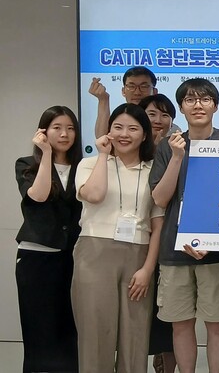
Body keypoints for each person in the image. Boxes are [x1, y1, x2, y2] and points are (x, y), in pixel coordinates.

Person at [150, 78, 219, 373]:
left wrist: (212, 241)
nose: (198, 105)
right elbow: (160, 198)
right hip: (174, 250)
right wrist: (177, 157)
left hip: (218, 252)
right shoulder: (168, 146)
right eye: (190, 100)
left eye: (205, 99)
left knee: (217, 323)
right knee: (181, 323)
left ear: (215, 106)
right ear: (181, 108)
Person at [72, 103, 165, 372]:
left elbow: (157, 224)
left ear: (145, 135)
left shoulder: (153, 170)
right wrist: (103, 155)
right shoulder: (90, 164)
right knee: (95, 333)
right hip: (94, 252)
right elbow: (94, 195)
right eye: (118, 127)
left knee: (135, 336)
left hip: (139, 255)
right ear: (109, 131)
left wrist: (148, 269)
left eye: (133, 129)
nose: (124, 134)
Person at [15, 106, 82, 373]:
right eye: (57, 128)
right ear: (43, 131)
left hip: (73, 256)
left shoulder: (83, 166)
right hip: (37, 257)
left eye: (70, 128)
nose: (64, 134)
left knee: (69, 326)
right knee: (38, 327)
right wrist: (45, 154)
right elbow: (39, 196)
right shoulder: (26, 164)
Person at [136, 93, 179, 373]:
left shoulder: (176, 150)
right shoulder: (129, 150)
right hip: (135, 242)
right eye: (152, 114)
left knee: (168, 316)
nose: (159, 120)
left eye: (165, 115)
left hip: (167, 243)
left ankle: (165, 365)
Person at [89, 66, 159, 137]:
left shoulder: (160, 116)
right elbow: (102, 138)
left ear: (155, 91)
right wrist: (103, 100)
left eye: (144, 86)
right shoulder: (120, 115)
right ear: (123, 91)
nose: (137, 92)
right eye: (131, 86)